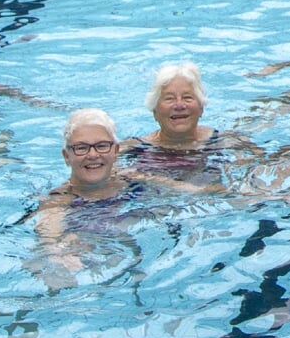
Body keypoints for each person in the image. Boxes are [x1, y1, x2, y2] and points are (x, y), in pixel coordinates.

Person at [33, 108, 200, 288]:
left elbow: (194, 192)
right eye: (81, 148)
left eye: (102, 145)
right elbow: (48, 238)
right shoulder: (60, 200)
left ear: (116, 150)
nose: (93, 155)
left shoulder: (134, 179)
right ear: (67, 156)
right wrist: (56, 257)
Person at [125, 61, 259, 185]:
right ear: (154, 110)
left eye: (187, 97)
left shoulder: (228, 142)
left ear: (201, 108)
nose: (179, 105)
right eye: (169, 98)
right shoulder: (134, 148)